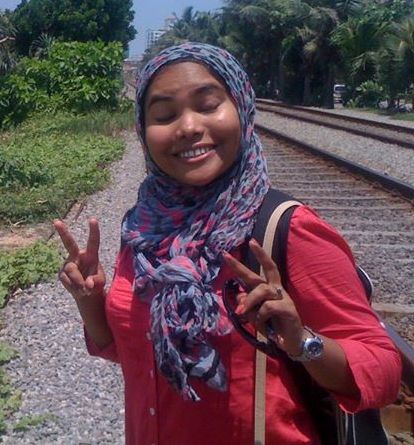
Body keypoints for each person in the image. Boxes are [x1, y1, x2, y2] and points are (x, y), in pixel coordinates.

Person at [54, 42, 401, 445]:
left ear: (242, 108)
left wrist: (301, 341)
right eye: (164, 115)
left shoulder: (286, 229)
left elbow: (383, 372)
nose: (187, 127)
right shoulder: (144, 229)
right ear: (143, 131)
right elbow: (140, 355)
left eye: (207, 105)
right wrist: (91, 302)